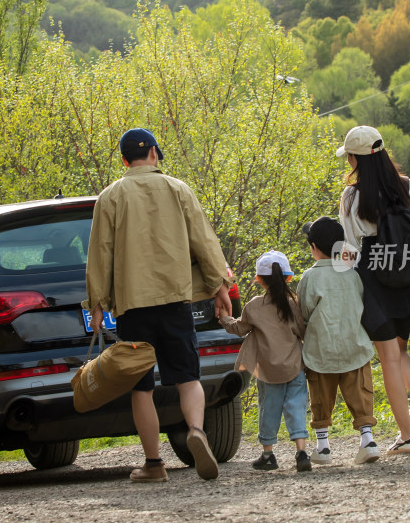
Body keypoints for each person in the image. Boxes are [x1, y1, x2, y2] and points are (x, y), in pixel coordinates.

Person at [83, 128, 234, 483]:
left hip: (132, 308)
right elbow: (203, 240)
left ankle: (154, 464)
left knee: (141, 387)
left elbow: (99, 254)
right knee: (187, 377)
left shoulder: (110, 197)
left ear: (124, 160)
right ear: (153, 153)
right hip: (175, 301)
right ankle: (196, 429)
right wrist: (219, 286)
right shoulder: (178, 189)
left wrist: (97, 304)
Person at [337, 125, 410, 454]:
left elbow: (349, 250)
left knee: (388, 357)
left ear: (355, 159)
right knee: (399, 351)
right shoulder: (407, 188)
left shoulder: (352, 196)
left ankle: (407, 436)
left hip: (376, 284)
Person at [218, 251, 311, 472]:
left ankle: (268, 455)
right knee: (296, 407)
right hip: (294, 366)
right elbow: (302, 330)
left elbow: (238, 329)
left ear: (259, 279)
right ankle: (301, 452)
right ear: (288, 277)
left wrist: (223, 317)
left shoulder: (254, 306)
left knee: (269, 408)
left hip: (268, 371)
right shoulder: (293, 304)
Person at [298, 216, 379, 465]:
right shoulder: (352, 275)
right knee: (360, 396)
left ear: (313, 247)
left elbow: (303, 314)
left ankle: (323, 447)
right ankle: (368, 440)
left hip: (321, 351)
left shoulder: (309, 278)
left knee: (320, 399)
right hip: (354, 347)